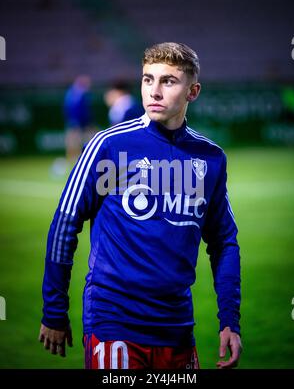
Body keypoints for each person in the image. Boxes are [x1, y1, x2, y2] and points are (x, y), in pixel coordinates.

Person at [39, 42, 242, 369]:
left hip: (178, 329)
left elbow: (224, 242)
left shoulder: (211, 158)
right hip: (114, 322)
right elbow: (65, 224)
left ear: (193, 91)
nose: (154, 91)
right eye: (148, 79)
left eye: (168, 81)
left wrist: (230, 319)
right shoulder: (109, 146)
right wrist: (54, 310)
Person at [63, 74, 96, 165]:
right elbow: (78, 110)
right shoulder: (78, 94)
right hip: (78, 123)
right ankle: (75, 160)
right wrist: (78, 122)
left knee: (75, 142)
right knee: (75, 142)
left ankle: (76, 160)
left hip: (77, 123)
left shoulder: (73, 93)